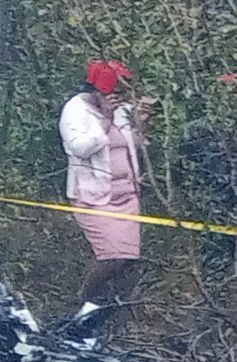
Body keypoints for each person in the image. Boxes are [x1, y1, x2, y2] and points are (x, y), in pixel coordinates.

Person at [59, 59, 149, 338]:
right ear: (97, 91)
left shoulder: (121, 110)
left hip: (126, 195)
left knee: (128, 259)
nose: (119, 99)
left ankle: (111, 313)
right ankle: (82, 304)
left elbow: (131, 145)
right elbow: (79, 148)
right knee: (111, 257)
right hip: (94, 196)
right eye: (114, 93)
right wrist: (106, 121)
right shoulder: (76, 110)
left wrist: (141, 124)